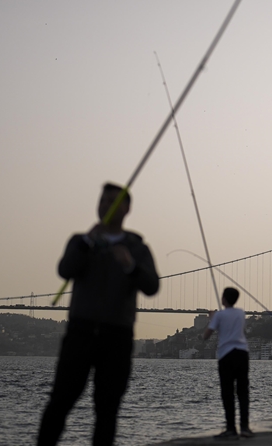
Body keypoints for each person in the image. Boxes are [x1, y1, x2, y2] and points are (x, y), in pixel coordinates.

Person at [38, 183, 160, 446]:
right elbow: (65, 270)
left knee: (107, 409)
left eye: (112, 201)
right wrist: (84, 243)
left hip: (117, 336)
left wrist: (130, 265)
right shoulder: (81, 241)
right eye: (102, 200)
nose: (104, 205)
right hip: (80, 333)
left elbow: (152, 286)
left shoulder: (138, 248)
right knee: (60, 401)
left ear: (127, 208)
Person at [203, 287, 253, 439]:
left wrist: (212, 319)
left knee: (228, 392)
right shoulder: (241, 313)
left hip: (226, 355)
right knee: (243, 392)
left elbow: (206, 336)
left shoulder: (219, 315)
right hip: (242, 353)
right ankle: (245, 427)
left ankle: (231, 428)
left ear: (224, 299)